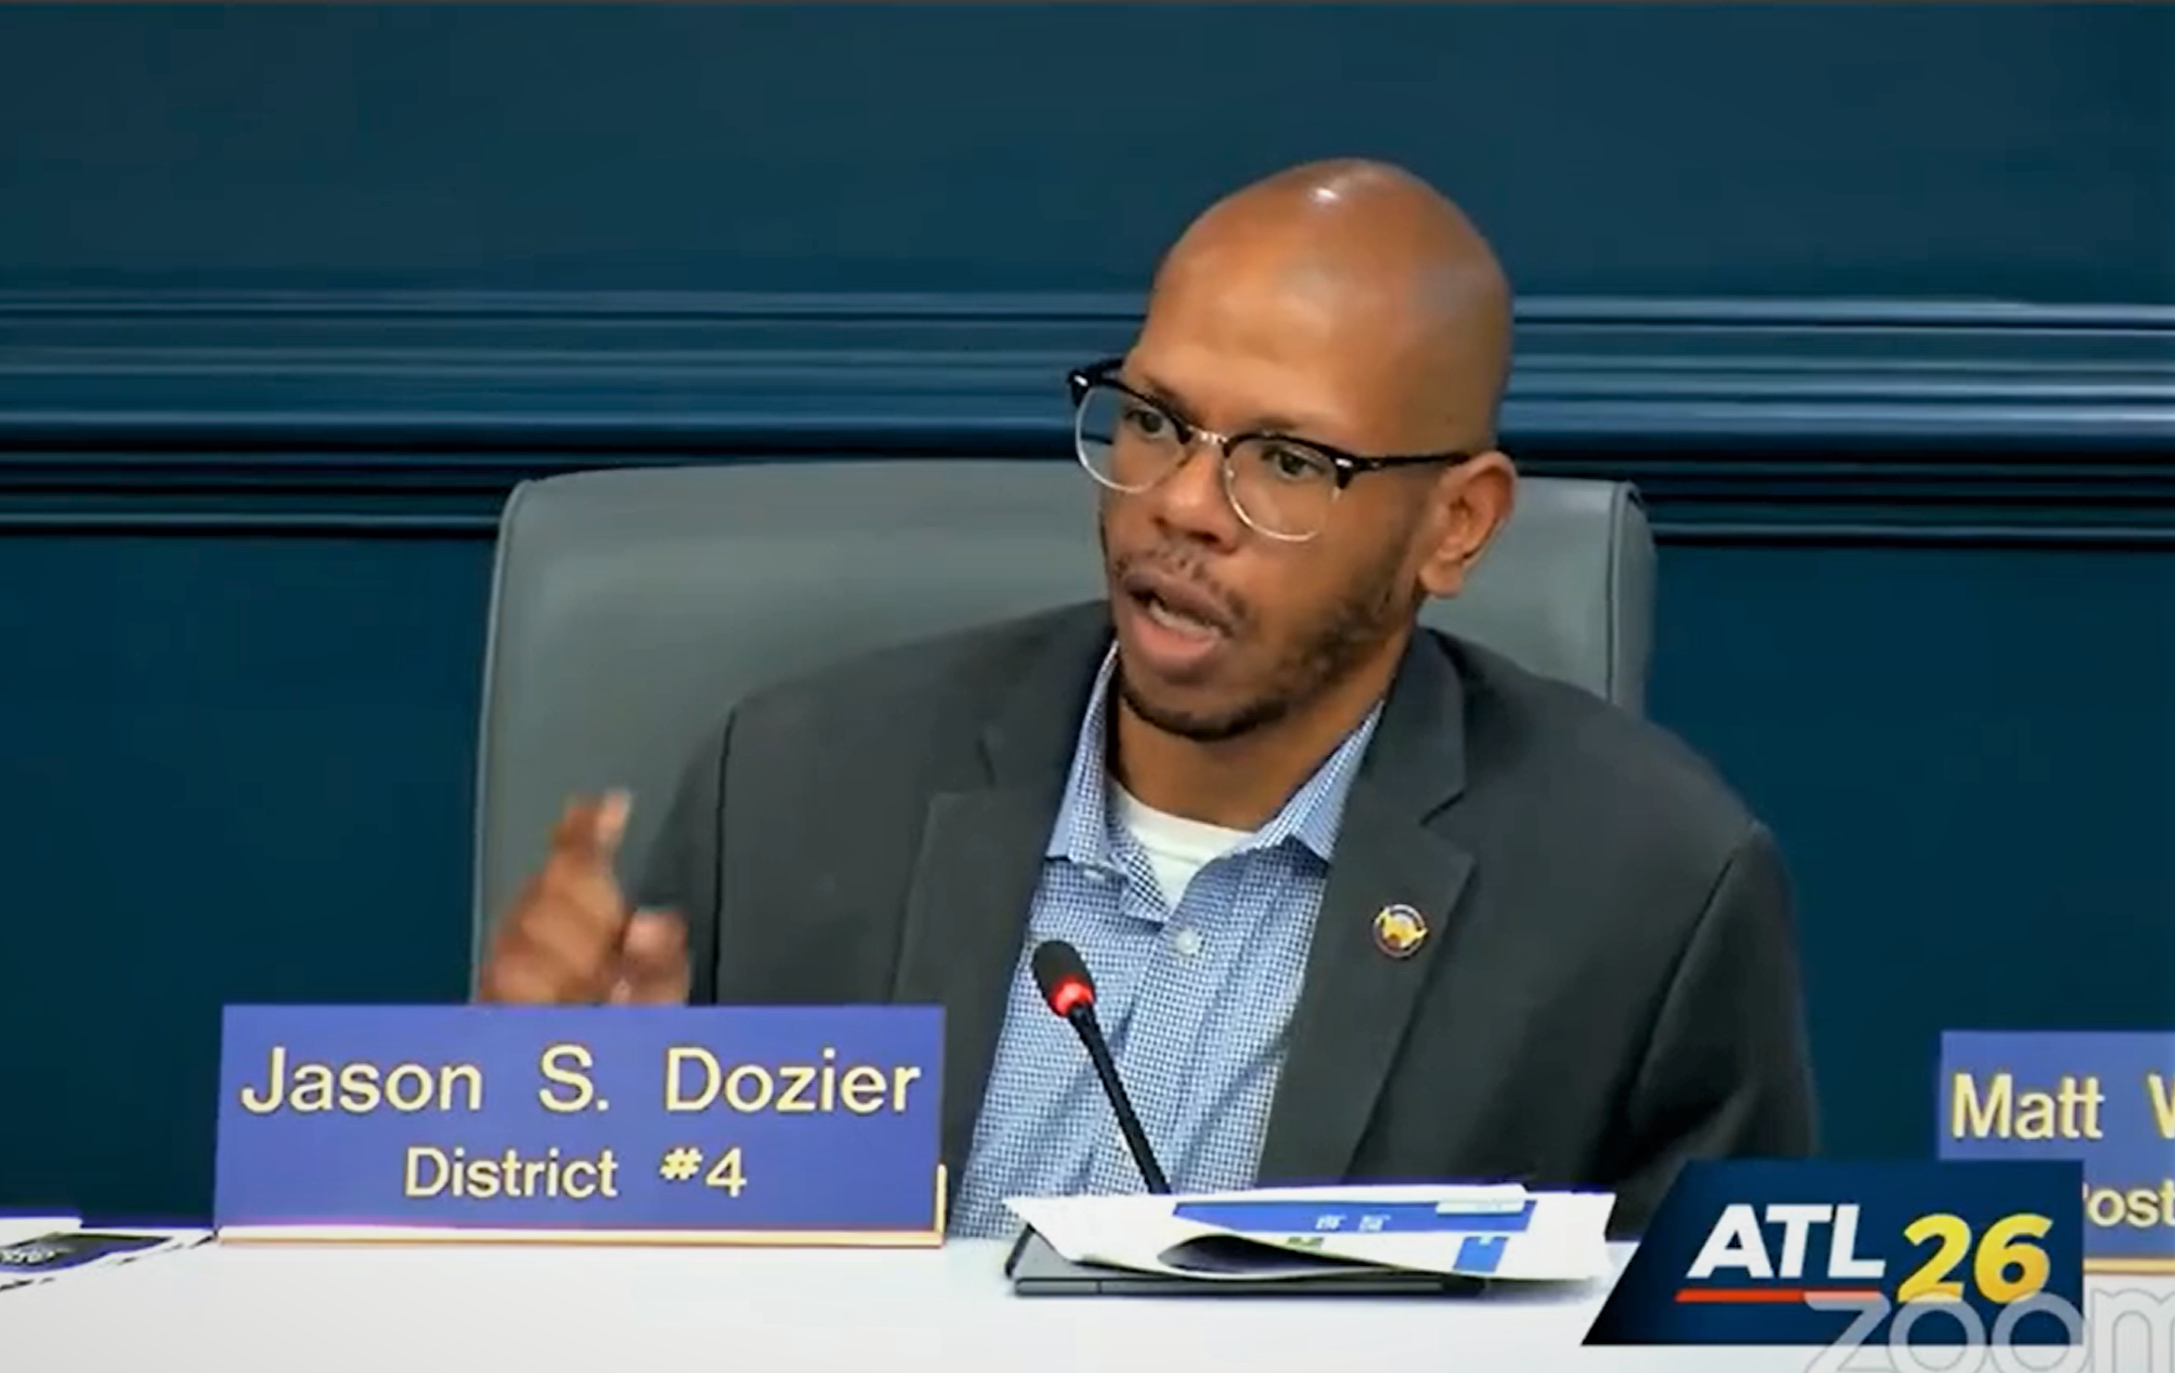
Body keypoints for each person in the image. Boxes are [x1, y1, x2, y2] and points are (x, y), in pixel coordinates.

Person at [478, 158, 1818, 1239]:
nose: (1181, 503)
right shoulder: (792, 791)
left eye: (1287, 460)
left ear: (1454, 528)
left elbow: (1712, 1341)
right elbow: (595, 1278)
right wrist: (541, 1126)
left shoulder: (1644, 894)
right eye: (1156, 420)